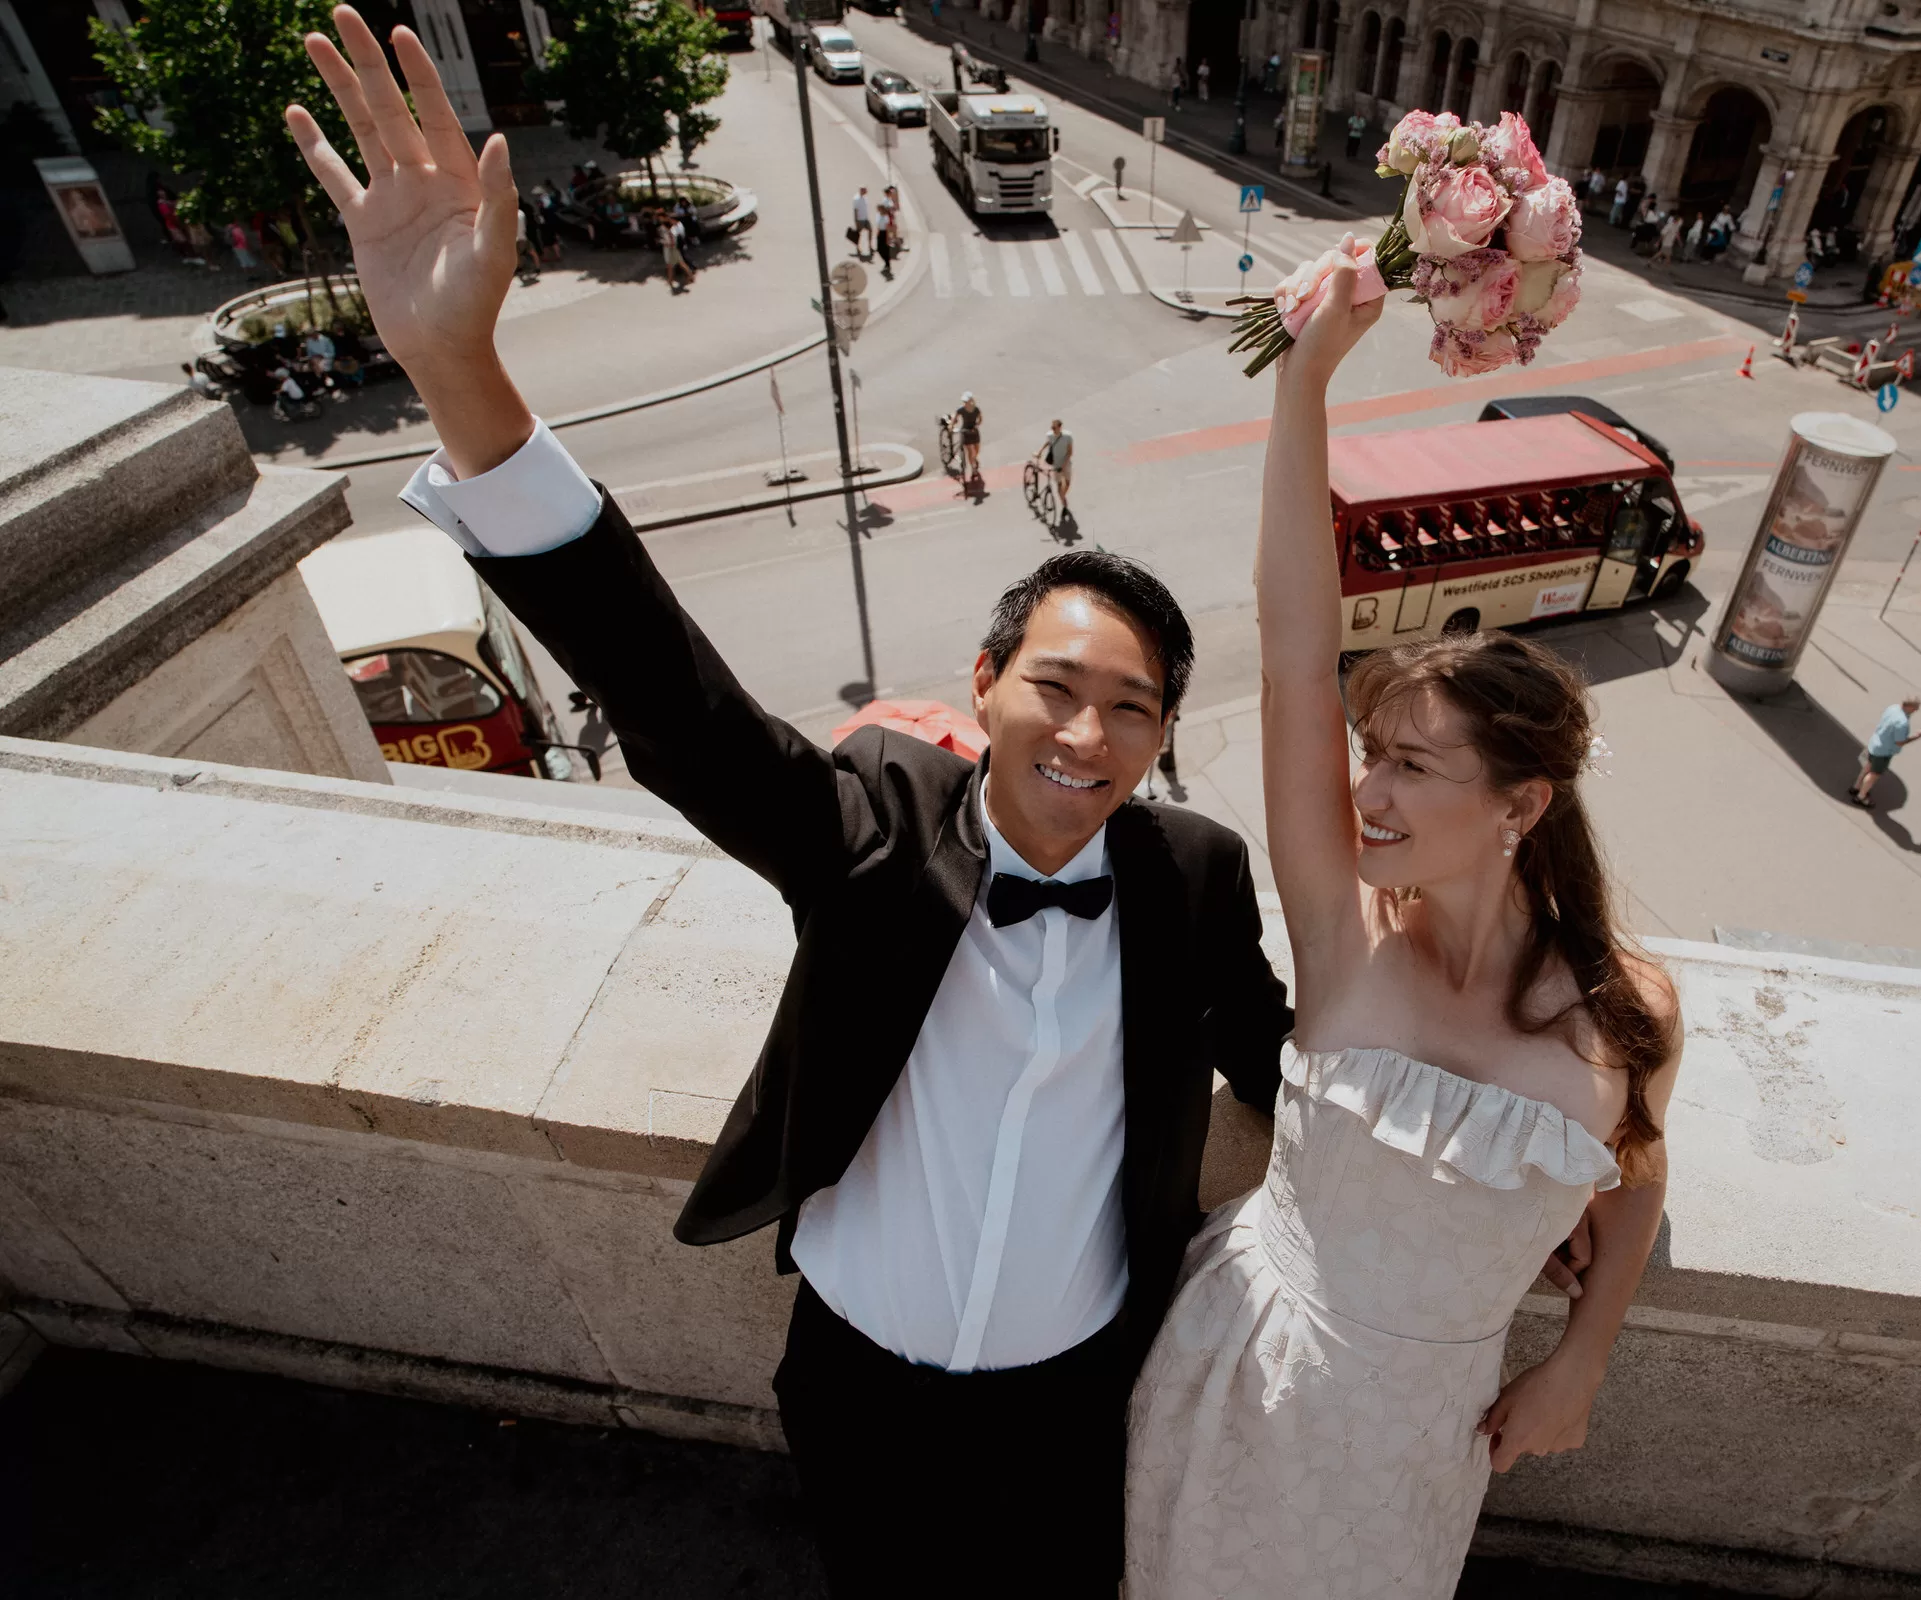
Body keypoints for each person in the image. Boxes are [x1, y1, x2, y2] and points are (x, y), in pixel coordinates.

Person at [279, 15, 1316, 1593]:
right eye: (1057, 685)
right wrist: (462, 372)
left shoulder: (1193, 872)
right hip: (859, 1388)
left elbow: (1284, 1060)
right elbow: (677, 706)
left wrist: (1493, 1172)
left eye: (1134, 708)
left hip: (1076, 1399)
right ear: (984, 683)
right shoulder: (878, 820)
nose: (1088, 733)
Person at [1126, 243, 1681, 1596]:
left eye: (1410, 768)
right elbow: (1292, 651)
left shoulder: (1631, 1011)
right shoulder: (1345, 929)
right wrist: (1305, 377)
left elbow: (1640, 1178)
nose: (1364, 795)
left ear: (1520, 803)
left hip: (1421, 1437)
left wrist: (1581, 1359)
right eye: (1370, 756)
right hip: (1236, 1369)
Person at [1850, 695, 1921, 808]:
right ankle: (1861, 797)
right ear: (1909, 706)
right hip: (1883, 751)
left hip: (1874, 743)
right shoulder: (1902, 723)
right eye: (1915, 707)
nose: (1916, 710)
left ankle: (1856, 787)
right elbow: (1900, 742)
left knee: (1868, 766)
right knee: (1874, 774)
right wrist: (1916, 736)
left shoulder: (1893, 708)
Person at [1040, 417, 1073, 509]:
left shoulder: (1068, 437)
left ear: (1060, 427)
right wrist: (1040, 451)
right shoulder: (1050, 435)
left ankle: (1062, 496)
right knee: (1059, 485)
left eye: (1054, 428)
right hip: (1056, 464)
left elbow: (1070, 452)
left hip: (1066, 463)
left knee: (1068, 483)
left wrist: (1064, 465)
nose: (1052, 429)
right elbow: (1048, 442)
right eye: (1052, 427)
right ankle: (1063, 501)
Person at [952, 389, 983, 479]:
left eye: (966, 401)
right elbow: (955, 418)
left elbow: (980, 419)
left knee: (976, 450)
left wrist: (976, 425)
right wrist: (952, 426)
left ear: (971, 401)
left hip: (974, 432)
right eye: (964, 401)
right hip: (965, 432)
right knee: (970, 451)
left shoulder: (976, 409)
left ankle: (974, 459)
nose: (965, 403)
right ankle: (973, 468)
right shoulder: (961, 410)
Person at [850, 185, 875, 260]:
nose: (866, 191)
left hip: (865, 218)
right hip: (860, 219)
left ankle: (870, 246)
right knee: (858, 234)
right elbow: (855, 210)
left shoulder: (865, 198)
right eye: (865, 190)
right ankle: (857, 247)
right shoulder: (856, 199)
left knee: (870, 230)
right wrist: (856, 220)